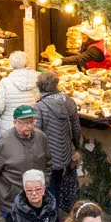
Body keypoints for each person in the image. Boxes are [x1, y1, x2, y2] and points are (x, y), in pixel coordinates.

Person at [0, 104, 50, 215]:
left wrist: (43, 186)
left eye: (31, 122)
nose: (28, 126)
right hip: (11, 203)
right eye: (24, 123)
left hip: (35, 200)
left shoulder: (41, 137)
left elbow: (48, 164)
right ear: (15, 123)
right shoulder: (3, 143)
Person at [34, 69, 81, 212]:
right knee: (60, 180)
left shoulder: (40, 107)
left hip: (48, 155)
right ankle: (59, 210)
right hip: (65, 152)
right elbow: (76, 128)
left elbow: (37, 134)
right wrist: (76, 145)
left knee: (50, 185)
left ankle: (52, 217)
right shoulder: (69, 101)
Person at [0, 51, 41, 139]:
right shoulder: (37, 79)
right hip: (30, 126)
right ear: (27, 63)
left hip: (8, 126)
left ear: (11, 64)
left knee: (9, 151)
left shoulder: (5, 82)